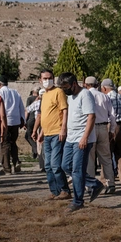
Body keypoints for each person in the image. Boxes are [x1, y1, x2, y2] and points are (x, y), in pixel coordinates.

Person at [60, 72, 103, 212]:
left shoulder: (85, 95)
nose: (65, 90)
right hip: (71, 137)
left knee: (77, 170)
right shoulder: (70, 96)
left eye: (66, 86)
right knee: (65, 166)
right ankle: (94, 183)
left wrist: (85, 137)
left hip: (82, 138)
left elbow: (91, 117)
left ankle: (78, 201)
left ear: (74, 84)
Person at [33, 70, 71, 200]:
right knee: (48, 165)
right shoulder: (45, 96)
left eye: (49, 78)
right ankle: (55, 191)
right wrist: (41, 132)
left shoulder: (58, 92)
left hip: (57, 133)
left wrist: (63, 129)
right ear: (40, 80)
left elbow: (64, 111)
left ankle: (65, 190)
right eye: (44, 78)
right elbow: (45, 115)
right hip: (47, 134)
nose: (47, 80)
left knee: (55, 164)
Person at [84, 76, 117, 195]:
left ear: (85, 84)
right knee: (106, 157)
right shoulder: (104, 96)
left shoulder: (85, 96)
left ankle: (91, 185)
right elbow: (112, 115)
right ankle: (111, 183)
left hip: (90, 128)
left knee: (90, 158)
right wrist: (112, 130)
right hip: (103, 127)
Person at [102, 78, 121, 191]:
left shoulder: (107, 98)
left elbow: (109, 115)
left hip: (112, 126)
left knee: (106, 156)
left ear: (104, 88)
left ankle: (107, 182)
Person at [0, 75, 25, 174]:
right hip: (15, 121)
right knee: (13, 142)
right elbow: (21, 107)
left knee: (4, 144)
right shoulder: (15, 92)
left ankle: (6, 168)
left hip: (5, 121)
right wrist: (22, 120)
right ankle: (16, 162)